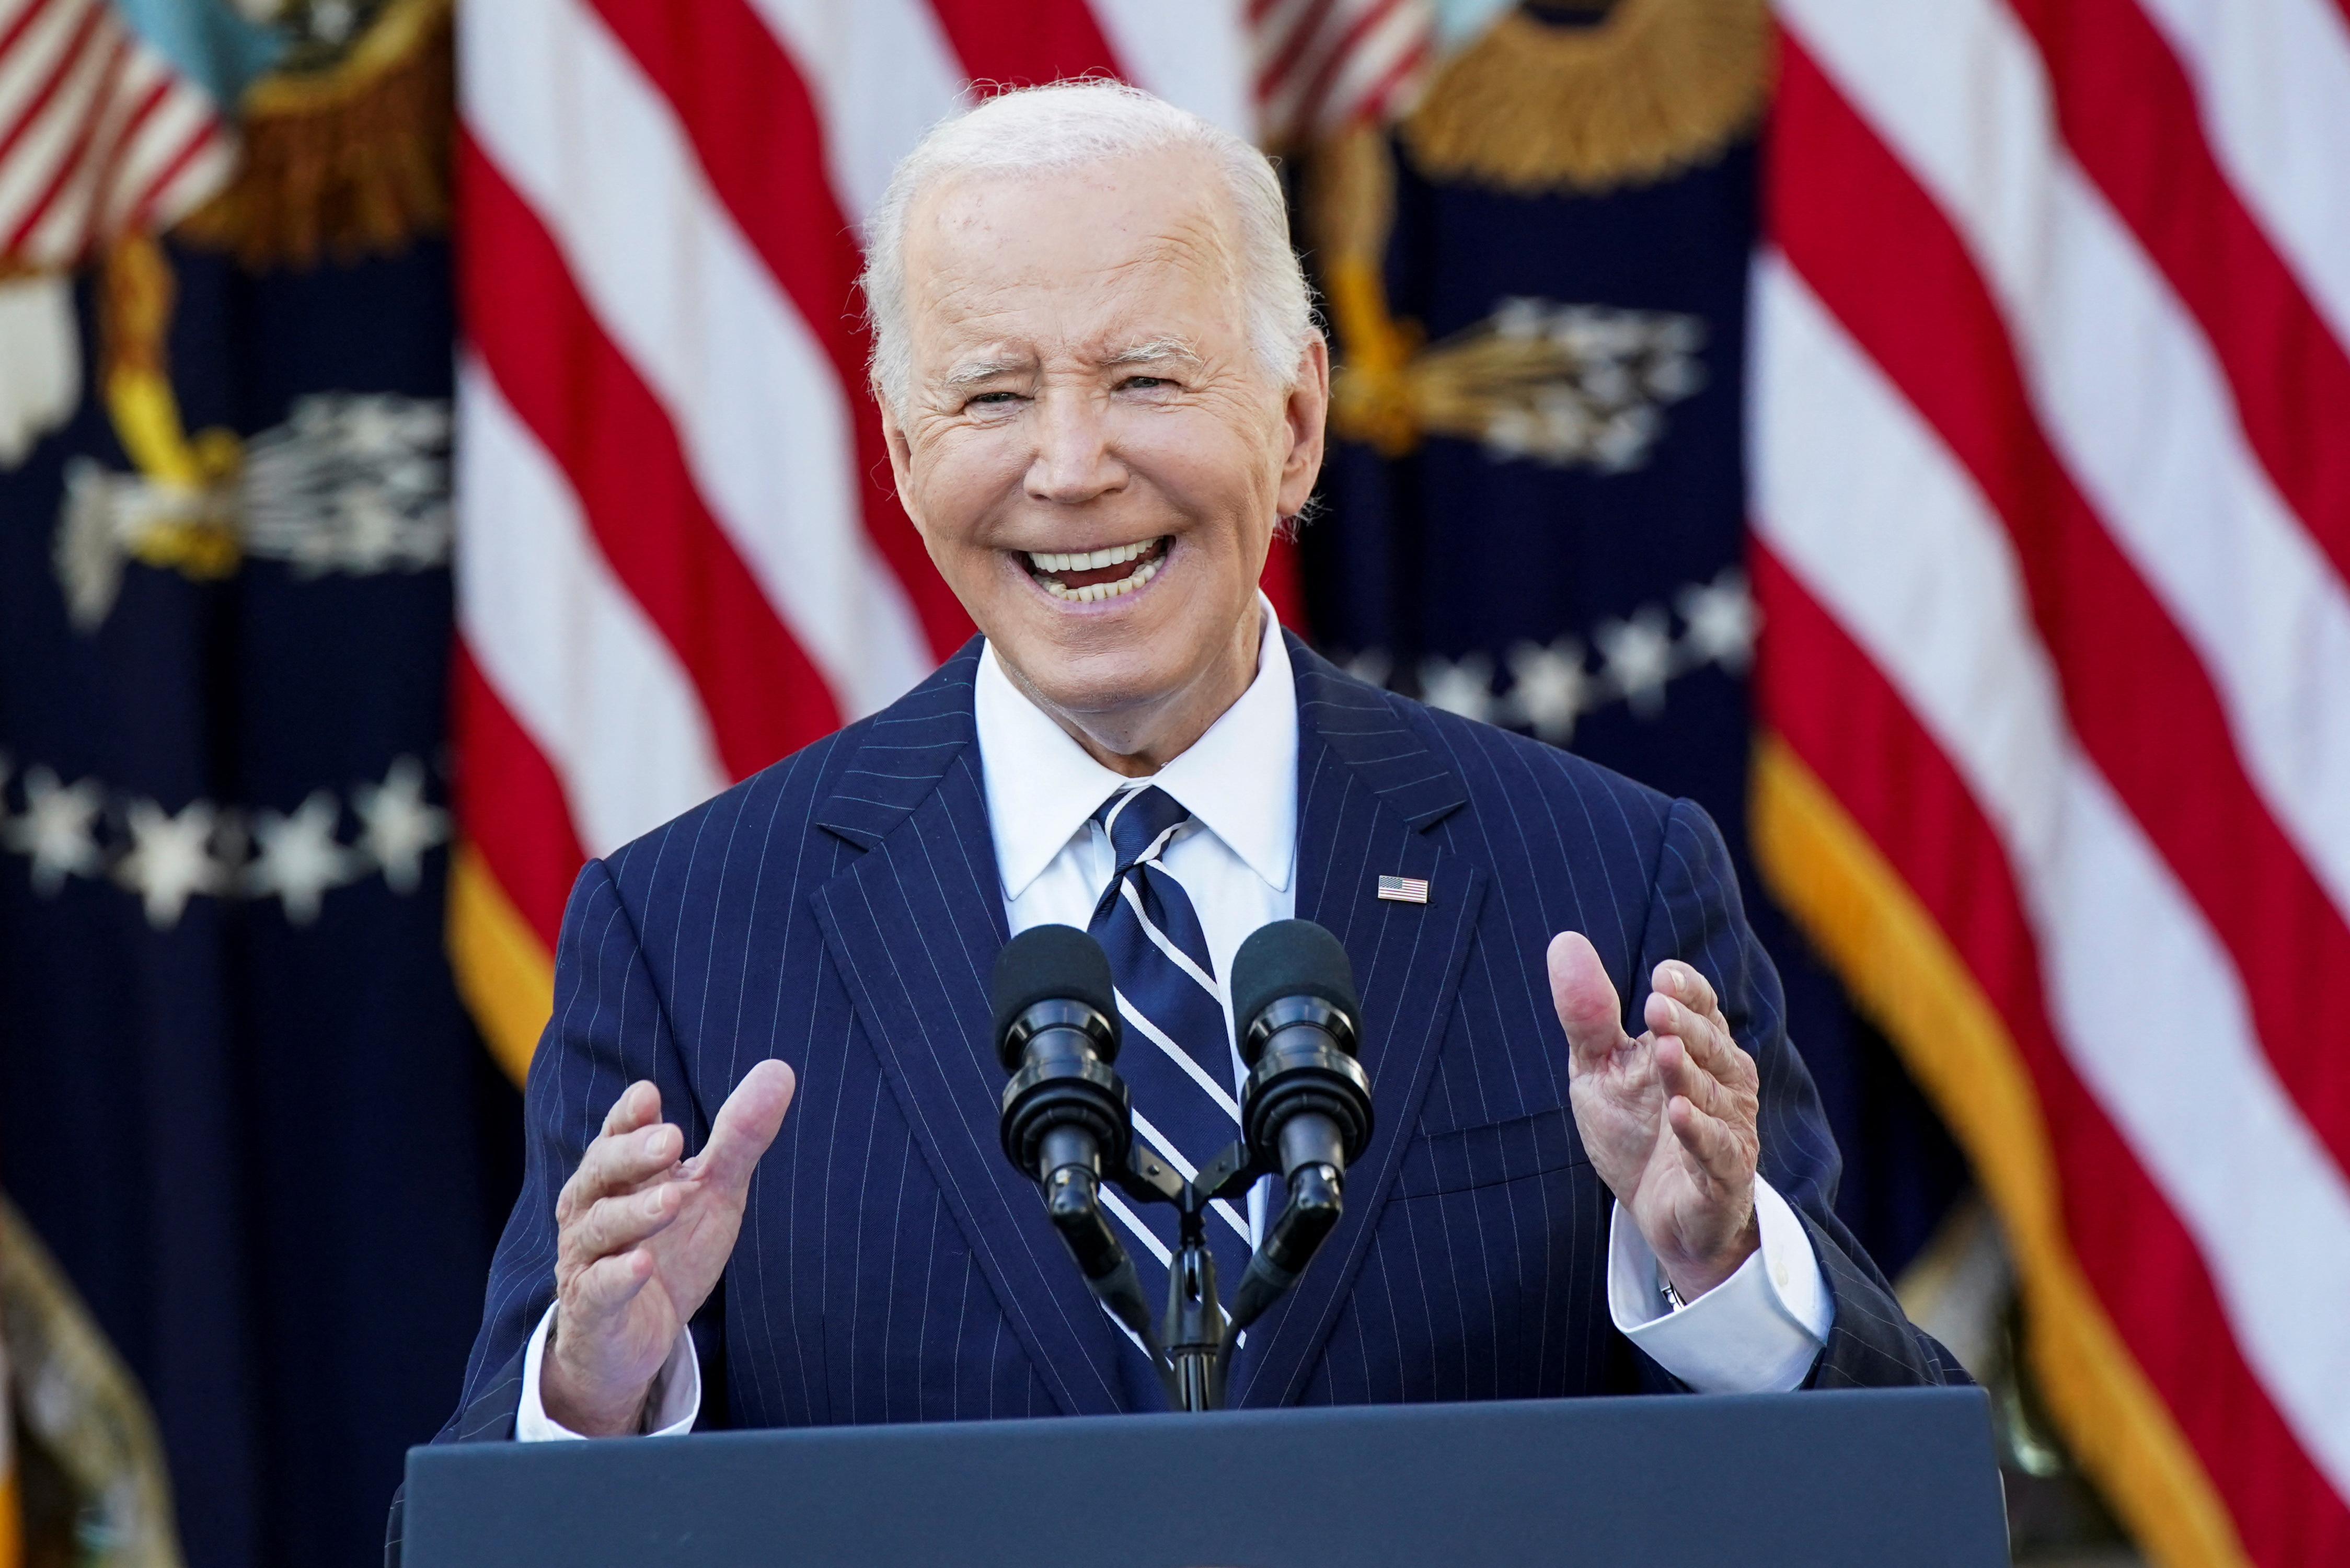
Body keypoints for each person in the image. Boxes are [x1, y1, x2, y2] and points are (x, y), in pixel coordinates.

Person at [434, 81, 1960, 1457]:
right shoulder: (688, 933)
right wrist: (601, 1396)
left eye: (1147, 380)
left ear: (1295, 424)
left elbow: (1895, 1484)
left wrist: (1715, 1272)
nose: (1071, 466)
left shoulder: (1606, 885)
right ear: (903, 455)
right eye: (992, 396)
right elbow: (467, 1528)